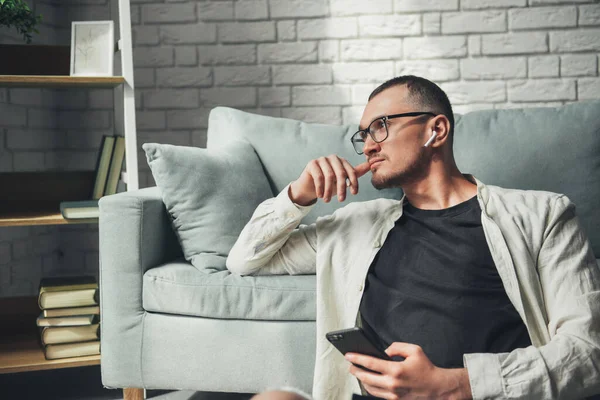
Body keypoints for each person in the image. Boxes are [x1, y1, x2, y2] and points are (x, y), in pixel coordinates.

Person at [227, 76, 600, 400]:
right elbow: (245, 260)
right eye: (364, 134)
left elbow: (587, 352)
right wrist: (298, 195)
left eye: (381, 126)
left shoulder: (542, 214)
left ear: (436, 130)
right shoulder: (355, 226)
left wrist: (455, 385)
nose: (369, 145)